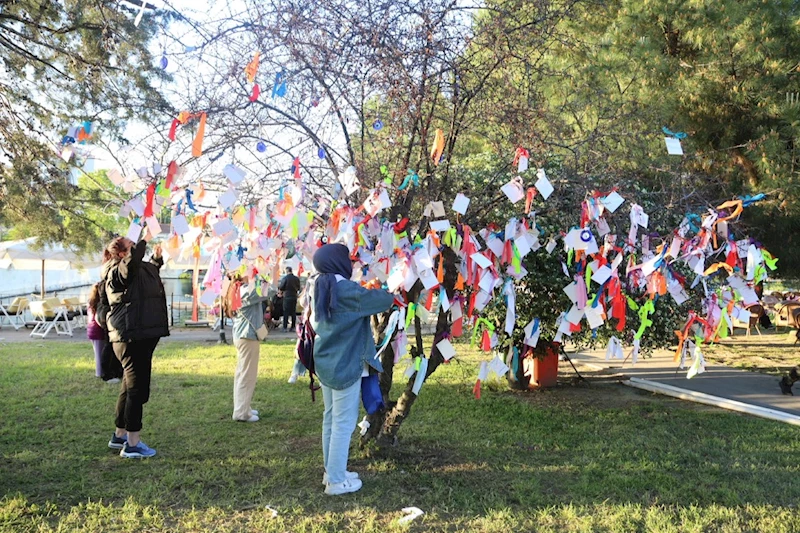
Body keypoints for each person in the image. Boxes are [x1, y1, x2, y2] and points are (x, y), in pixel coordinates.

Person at [310, 243, 393, 495]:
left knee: (331, 419)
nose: (351, 262)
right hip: (346, 364)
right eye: (347, 259)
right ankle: (336, 482)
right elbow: (383, 300)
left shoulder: (320, 285)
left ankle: (331, 472)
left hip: (326, 361)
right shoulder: (346, 289)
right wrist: (389, 282)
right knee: (343, 423)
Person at [102, 235, 169, 459]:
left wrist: (157, 258)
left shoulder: (134, 270)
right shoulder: (116, 272)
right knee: (135, 389)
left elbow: (147, 271)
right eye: (132, 247)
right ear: (122, 254)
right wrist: (143, 240)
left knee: (128, 386)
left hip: (139, 334)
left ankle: (120, 434)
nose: (137, 251)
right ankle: (133, 442)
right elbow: (131, 267)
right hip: (131, 336)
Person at [223, 273, 270, 422]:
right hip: (247, 336)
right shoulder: (245, 290)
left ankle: (244, 408)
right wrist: (267, 274)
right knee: (247, 375)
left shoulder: (238, 289)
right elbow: (270, 290)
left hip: (244, 335)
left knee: (243, 374)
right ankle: (241, 412)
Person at [86, 283, 121, 384]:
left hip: (92, 330)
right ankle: (101, 372)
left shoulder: (91, 302)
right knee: (101, 353)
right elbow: (99, 318)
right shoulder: (99, 304)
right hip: (97, 330)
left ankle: (100, 371)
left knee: (98, 352)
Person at [278, 266, 301, 332]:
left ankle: (285, 327)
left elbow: (281, 287)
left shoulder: (285, 278)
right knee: (293, 312)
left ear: (286, 271)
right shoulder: (296, 278)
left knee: (286, 312)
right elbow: (299, 287)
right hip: (294, 296)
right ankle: (293, 327)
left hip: (287, 296)